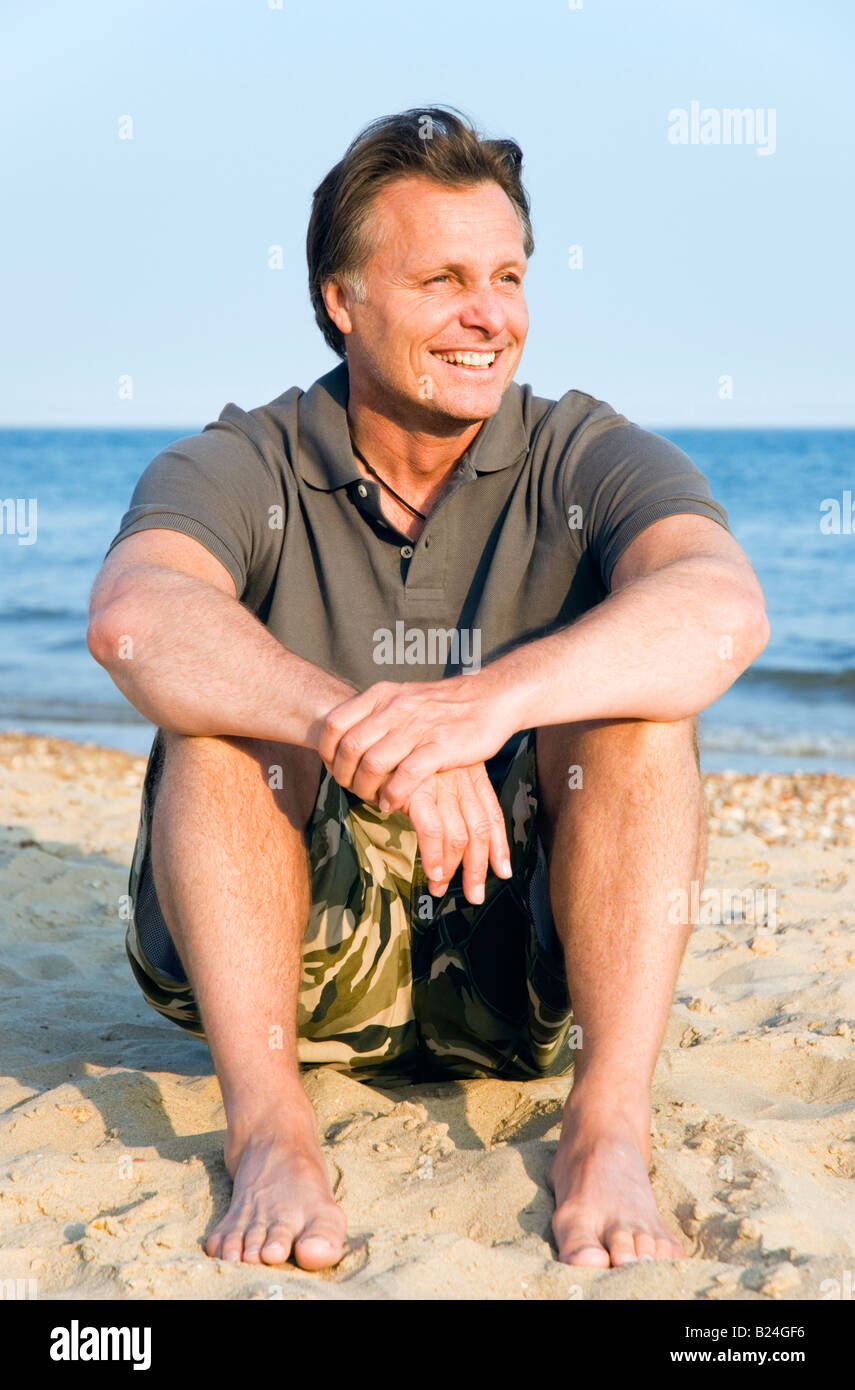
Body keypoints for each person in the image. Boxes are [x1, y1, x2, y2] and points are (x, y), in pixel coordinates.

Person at [87, 106, 769, 1272]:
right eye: (444, 277)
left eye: (506, 275)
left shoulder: (579, 453)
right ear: (342, 297)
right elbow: (134, 617)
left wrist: (484, 704)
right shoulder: (246, 460)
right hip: (294, 973)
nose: (489, 314)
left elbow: (722, 607)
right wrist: (366, 730)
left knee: (643, 716)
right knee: (220, 732)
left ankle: (606, 1127)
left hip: (516, 964)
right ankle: (272, 1133)